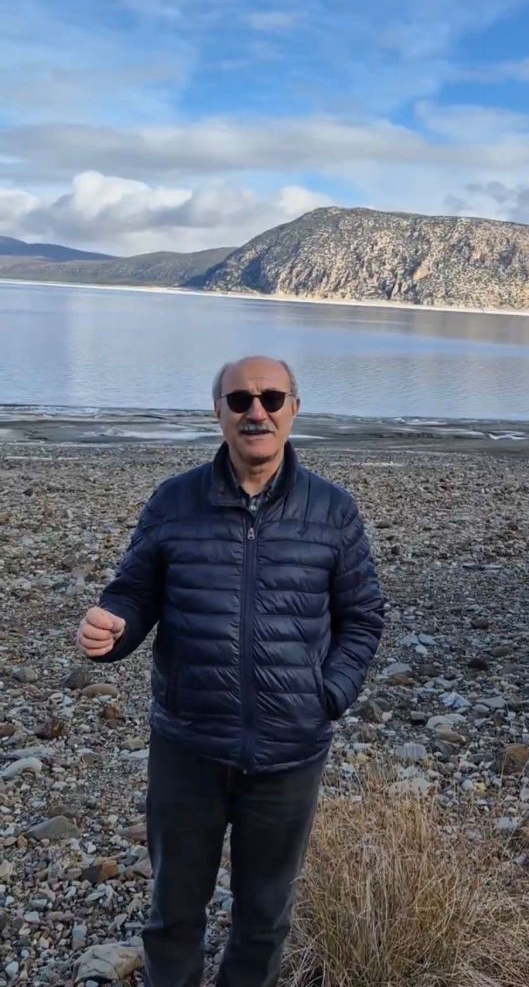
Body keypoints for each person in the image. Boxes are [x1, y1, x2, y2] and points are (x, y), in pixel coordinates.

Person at [76, 356, 384, 987]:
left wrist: (327, 694)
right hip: (188, 745)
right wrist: (111, 629)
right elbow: (134, 593)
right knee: (173, 913)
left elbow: (362, 617)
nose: (256, 412)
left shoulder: (332, 511)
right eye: (240, 400)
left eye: (271, 398)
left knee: (264, 918)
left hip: (289, 753)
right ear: (218, 412)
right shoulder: (175, 501)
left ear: (294, 409)